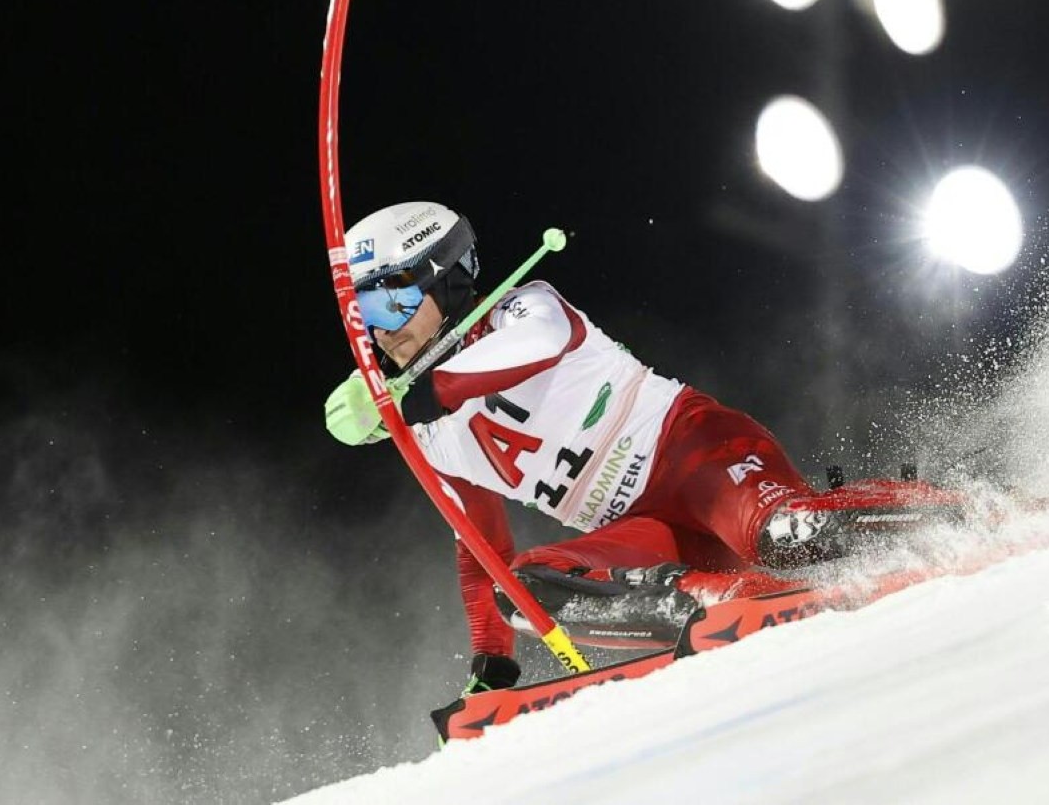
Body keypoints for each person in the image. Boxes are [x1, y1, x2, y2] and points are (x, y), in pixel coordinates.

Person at [324, 200, 946, 697]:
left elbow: (544, 340)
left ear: (446, 280)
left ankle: (952, 509)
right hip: (646, 533)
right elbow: (480, 545)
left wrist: (419, 395)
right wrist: (493, 661)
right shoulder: (432, 436)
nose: (380, 328)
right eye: (361, 309)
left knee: (786, 534)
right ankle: (718, 599)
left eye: (390, 296)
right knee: (520, 588)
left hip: (695, 457)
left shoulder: (522, 307)